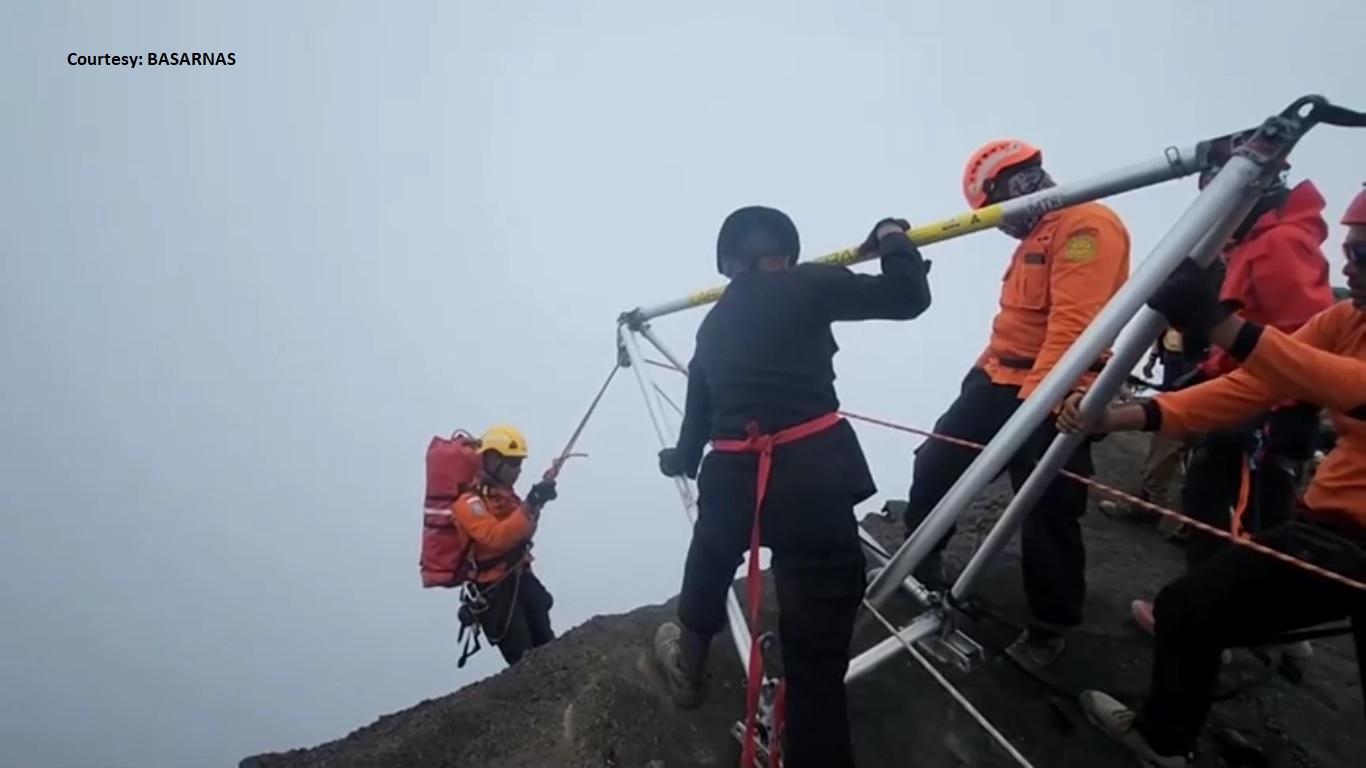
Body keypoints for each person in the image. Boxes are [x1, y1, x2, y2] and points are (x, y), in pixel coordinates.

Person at [1058, 186, 1366, 767]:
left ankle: (1163, 741)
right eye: (1350, 251)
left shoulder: (1290, 257)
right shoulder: (1349, 318)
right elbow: (1252, 386)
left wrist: (1219, 324)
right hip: (1334, 522)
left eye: (1363, 255)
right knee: (1201, 593)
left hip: (1350, 538)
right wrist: (1122, 416)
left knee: (1188, 607)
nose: (1348, 266)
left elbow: (1350, 387)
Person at [653, 205, 932, 768]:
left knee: (709, 559)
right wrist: (891, 236)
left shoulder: (713, 326)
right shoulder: (810, 283)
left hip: (733, 479)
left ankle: (690, 665)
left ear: (729, 263)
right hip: (814, 478)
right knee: (816, 660)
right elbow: (908, 296)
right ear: (787, 251)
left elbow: (695, 424)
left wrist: (676, 460)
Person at [900, 139, 1131, 669]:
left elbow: (1073, 328)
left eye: (995, 209)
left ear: (1017, 185)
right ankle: (922, 558)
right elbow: (1014, 324)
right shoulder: (1039, 232)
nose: (999, 223)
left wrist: (1036, 408)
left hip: (1057, 386)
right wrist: (978, 375)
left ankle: (1051, 626)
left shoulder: (1086, 226)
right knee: (936, 461)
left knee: (1048, 504)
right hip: (1000, 378)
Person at [1130, 137, 1336, 633]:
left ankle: (1208, 623)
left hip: (1269, 409)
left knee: (1235, 513)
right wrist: (1206, 373)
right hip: (1251, 396)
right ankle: (1262, 626)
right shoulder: (1255, 244)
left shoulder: (1279, 243)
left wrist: (1282, 406)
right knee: (1231, 506)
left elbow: (1303, 336)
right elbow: (1255, 330)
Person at [453, 424, 560, 665]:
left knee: (547, 642)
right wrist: (530, 503)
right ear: (491, 460)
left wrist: (537, 502)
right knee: (522, 655)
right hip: (495, 591)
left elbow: (523, 532)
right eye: (512, 462)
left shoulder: (506, 498)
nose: (517, 469)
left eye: (519, 462)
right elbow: (495, 537)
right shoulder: (468, 502)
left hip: (520, 578)